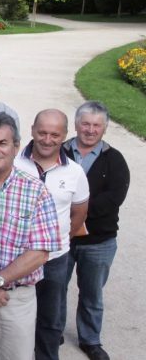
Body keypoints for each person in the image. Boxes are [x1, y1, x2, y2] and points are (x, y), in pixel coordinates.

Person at [0, 112, 60, 360]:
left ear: (16, 146)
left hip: (15, 298)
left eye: (2, 143)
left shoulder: (36, 190)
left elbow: (40, 251)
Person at [14, 109, 90, 360]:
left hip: (55, 258)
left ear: (64, 136)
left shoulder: (75, 172)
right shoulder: (14, 163)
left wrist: (60, 239)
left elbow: (79, 212)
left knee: (50, 317)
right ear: (33, 130)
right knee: (12, 317)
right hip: (18, 256)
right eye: (42, 132)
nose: (47, 139)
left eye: (54, 134)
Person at [62, 101, 130, 360]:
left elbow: (113, 198)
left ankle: (90, 340)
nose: (90, 130)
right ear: (77, 124)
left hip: (98, 240)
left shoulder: (114, 160)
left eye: (96, 125)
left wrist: (75, 210)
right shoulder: (60, 151)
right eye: (86, 124)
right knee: (55, 287)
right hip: (61, 237)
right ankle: (53, 330)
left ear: (104, 129)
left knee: (91, 293)